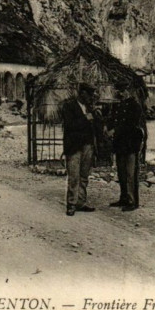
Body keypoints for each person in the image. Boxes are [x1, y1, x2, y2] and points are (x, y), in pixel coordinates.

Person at [60, 83, 98, 216]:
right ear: (82, 93)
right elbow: (70, 125)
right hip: (74, 146)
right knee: (74, 176)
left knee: (84, 176)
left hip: (87, 145)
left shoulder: (89, 108)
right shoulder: (68, 106)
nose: (91, 97)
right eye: (89, 94)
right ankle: (71, 204)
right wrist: (86, 118)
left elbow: (94, 126)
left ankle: (81, 202)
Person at [109, 81, 144, 212]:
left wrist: (115, 130)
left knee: (131, 174)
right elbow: (114, 120)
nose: (121, 94)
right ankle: (124, 198)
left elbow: (130, 125)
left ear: (128, 91)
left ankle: (133, 201)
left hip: (130, 144)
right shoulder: (118, 106)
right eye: (119, 91)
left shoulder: (134, 106)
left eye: (123, 91)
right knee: (122, 173)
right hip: (120, 144)